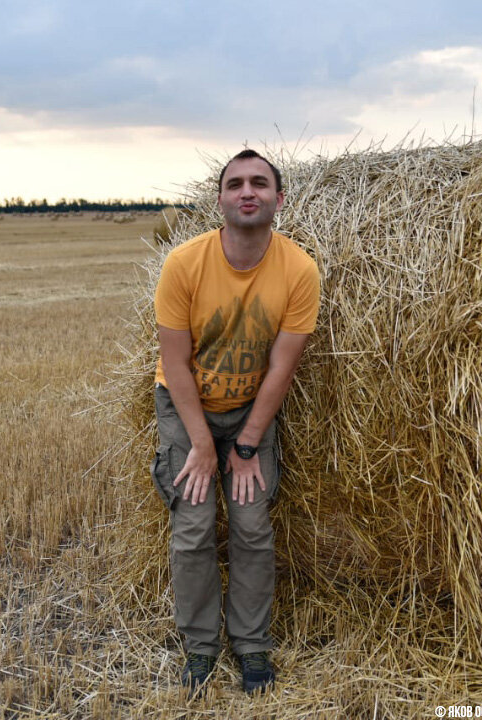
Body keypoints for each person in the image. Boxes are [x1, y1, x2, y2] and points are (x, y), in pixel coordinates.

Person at [150, 148, 320, 696]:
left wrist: (246, 445)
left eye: (260, 183)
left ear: (278, 198)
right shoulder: (183, 264)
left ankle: (251, 646)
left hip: (252, 411)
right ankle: (200, 646)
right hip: (186, 407)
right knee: (194, 528)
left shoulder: (299, 270)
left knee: (251, 526)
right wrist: (201, 443)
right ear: (220, 199)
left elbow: (281, 368)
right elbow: (174, 363)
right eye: (236, 184)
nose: (248, 191)